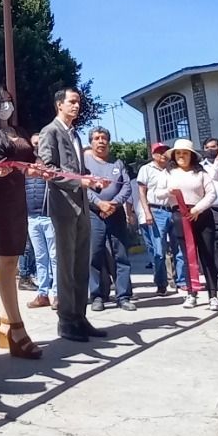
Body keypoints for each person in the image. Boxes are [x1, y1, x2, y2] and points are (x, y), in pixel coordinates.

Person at [0, 86, 43, 359]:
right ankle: (16, 327)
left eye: (10, 101)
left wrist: (38, 166)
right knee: (7, 259)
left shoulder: (19, 130)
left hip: (18, 195)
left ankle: (5, 321)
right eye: (3, 101)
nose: (8, 105)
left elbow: (31, 160)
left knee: (13, 259)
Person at [37, 88, 106, 343]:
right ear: (59, 105)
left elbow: (77, 168)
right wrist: (80, 182)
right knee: (65, 265)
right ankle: (66, 321)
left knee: (80, 265)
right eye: (72, 102)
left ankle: (80, 316)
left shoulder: (75, 134)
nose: (77, 106)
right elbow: (48, 170)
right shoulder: (50, 131)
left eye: (78, 102)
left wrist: (91, 179)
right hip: (64, 206)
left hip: (83, 207)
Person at [84, 128, 135, 312]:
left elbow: (127, 187)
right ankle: (97, 296)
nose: (101, 141)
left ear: (109, 141)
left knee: (121, 255)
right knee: (94, 255)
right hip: (94, 214)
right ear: (91, 142)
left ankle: (124, 296)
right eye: (97, 138)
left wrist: (113, 204)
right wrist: (100, 203)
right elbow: (83, 187)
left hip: (116, 213)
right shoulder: (85, 163)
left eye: (104, 138)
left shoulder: (118, 163)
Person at [166, 139, 218, 310]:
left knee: (207, 255)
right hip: (180, 216)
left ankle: (213, 295)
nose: (181, 156)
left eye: (185, 153)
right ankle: (191, 293)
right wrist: (168, 192)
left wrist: (197, 209)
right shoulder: (169, 173)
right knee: (188, 256)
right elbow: (157, 193)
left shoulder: (201, 173)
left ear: (191, 156)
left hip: (201, 215)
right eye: (178, 153)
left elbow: (211, 194)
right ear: (174, 155)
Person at [136, 143, 187, 296]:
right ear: (153, 155)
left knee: (179, 248)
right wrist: (147, 212)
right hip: (156, 210)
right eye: (159, 152)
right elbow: (142, 193)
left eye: (165, 151)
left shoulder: (174, 168)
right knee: (159, 250)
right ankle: (161, 283)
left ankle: (182, 281)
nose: (163, 154)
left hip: (175, 210)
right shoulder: (146, 169)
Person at [24, 132, 58, 311]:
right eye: (34, 144)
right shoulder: (26, 166)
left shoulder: (52, 165)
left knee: (54, 256)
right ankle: (43, 293)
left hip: (49, 217)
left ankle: (57, 293)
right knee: (40, 257)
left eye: (40, 143)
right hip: (32, 217)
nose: (37, 147)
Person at [201, 138, 218, 294]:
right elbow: (215, 176)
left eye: (214, 147)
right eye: (208, 148)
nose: (212, 149)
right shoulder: (202, 167)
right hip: (214, 209)